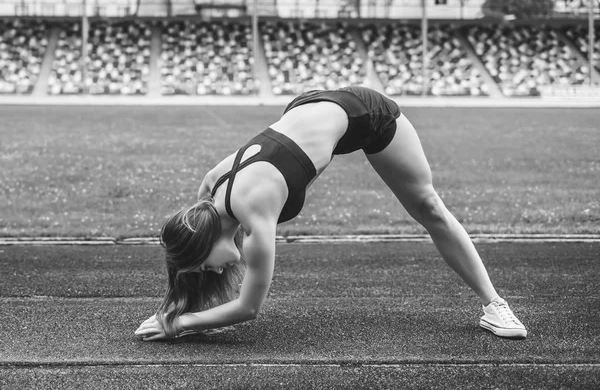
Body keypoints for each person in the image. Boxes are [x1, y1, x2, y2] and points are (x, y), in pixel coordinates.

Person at [134, 86, 527, 341]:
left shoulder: (256, 213)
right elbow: (193, 269)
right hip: (308, 109)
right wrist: (180, 307)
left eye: (203, 267)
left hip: (364, 114)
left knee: (428, 206)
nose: (213, 272)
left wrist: (180, 324)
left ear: (206, 240)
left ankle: (495, 305)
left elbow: (248, 309)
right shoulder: (208, 193)